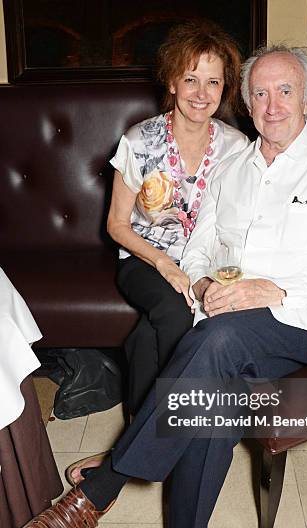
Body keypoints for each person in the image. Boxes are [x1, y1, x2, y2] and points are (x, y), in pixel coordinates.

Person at [12, 44, 307, 528]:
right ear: (247, 103)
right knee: (215, 401)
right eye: (259, 92)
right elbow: (200, 246)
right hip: (224, 316)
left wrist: (268, 290)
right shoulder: (233, 168)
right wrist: (202, 286)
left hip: (301, 318)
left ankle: (99, 492)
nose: (271, 104)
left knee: (213, 342)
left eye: (284, 91)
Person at [65, 20, 249, 485]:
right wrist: (166, 265)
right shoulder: (139, 141)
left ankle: (133, 447)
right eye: (191, 79)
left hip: (206, 262)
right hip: (146, 261)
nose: (202, 94)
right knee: (172, 312)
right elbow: (116, 226)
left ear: (225, 87)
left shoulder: (235, 146)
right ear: (172, 82)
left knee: (144, 340)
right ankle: (179, 435)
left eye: (213, 81)